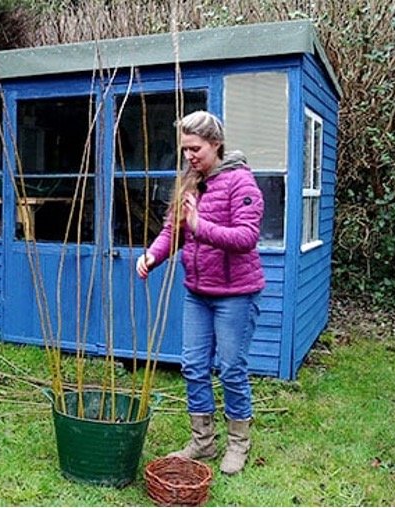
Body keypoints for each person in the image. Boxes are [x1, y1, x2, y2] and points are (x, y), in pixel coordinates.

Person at [136, 110, 264, 475]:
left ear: (216, 144)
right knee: (193, 366)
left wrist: (199, 224)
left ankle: (238, 444)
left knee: (231, 369)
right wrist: (152, 255)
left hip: (235, 294)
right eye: (185, 150)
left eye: (195, 149)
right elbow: (172, 231)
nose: (189, 156)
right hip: (197, 291)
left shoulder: (241, 184)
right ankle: (203, 442)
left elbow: (245, 239)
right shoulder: (190, 181)